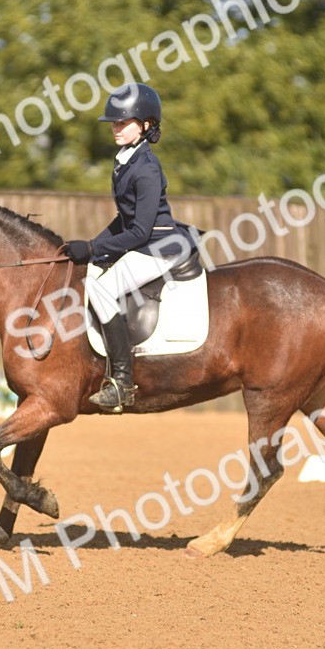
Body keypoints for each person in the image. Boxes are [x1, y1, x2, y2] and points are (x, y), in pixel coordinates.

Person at [62, 83, 197, 412]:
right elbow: (124, 219)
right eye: (114, 123)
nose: (115, 128)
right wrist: (91, 246)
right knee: (92, 272)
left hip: (161, 246)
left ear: (146, 125)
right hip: (144, 241)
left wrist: (94, 248)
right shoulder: (125, 160)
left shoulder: (147, 169)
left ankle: (122, 383)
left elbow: (138, 231)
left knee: (103, 288)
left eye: (123, 122)